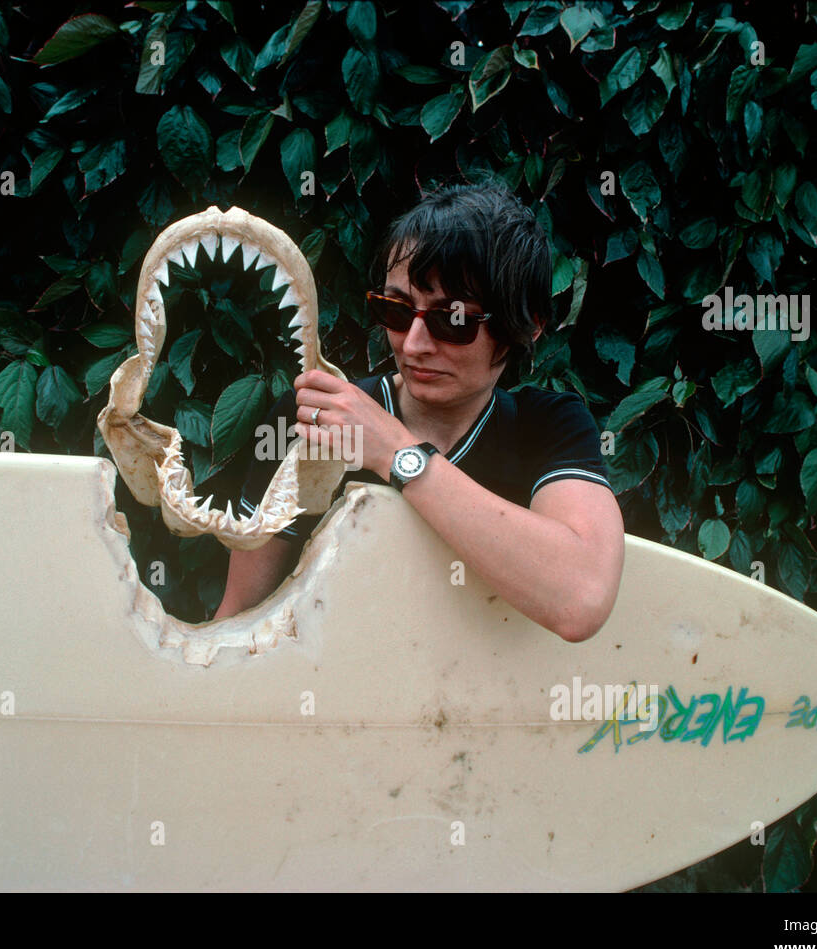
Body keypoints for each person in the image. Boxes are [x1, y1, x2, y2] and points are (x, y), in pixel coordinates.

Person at [212, 181, 624, 642]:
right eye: (397, 309)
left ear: (526, 326)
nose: (413, 345)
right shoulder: (313, 419)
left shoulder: (549, 427)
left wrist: (395, 452)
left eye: (453, 320)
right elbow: (237, 616)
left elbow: (581, 599)